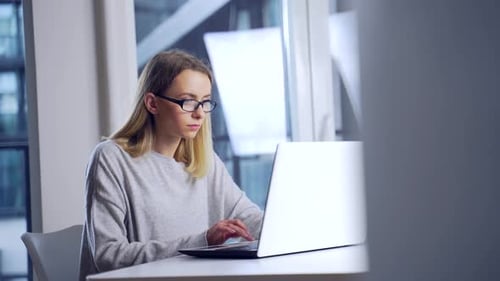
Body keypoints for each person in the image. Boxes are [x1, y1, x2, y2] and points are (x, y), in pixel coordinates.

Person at [79, 49, 263, 280]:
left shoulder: (204, 161)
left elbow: (247, 217)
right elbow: (108, 256)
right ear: (152, 104)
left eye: (205, 102)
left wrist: (284, 231)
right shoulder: (111, 158)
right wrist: (201, 242)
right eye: (188, 101)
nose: (199, 114)